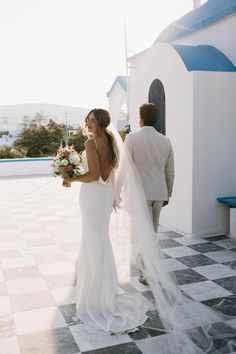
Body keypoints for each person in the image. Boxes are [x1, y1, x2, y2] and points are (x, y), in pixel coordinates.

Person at [63, 108, 149, 334]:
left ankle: (95, 297)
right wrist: (111, 195)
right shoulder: (112, 140)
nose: (89, 124)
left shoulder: (91, 144)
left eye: (93, 121)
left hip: (93, 196)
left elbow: (94, 175)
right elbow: (109, 175)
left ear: (101, 122)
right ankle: (104, 290)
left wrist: (71, 178)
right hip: (104, 196)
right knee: (99, 240)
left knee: (92, 241)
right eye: (88, 120)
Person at [125, 103, 174, 285]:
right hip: (159, 192)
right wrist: (167, 193)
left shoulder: (132, 138)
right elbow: (170, 172)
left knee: (144, 234)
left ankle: (146, 272)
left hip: (141, 193)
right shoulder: (165, 140)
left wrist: (119, 191)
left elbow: (125, 167)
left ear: (141, 118)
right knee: (152, 232)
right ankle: (147, 265)